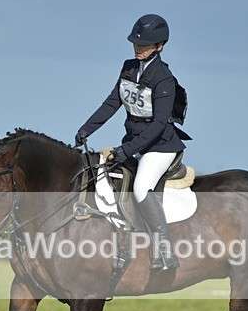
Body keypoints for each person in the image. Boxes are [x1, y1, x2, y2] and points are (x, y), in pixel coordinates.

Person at [75, 14, 186, 271]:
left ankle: (164, 251)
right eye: (136, 43)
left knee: (141, 188)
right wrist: (85, 129)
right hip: (134, 143)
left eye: (144, 44)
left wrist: (126, 150)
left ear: (159, 46)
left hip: (160, 146)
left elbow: (159, 125)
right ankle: (123, 248)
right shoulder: (128, 67)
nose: (138, 47)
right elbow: (112, 103)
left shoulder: (164, 79)